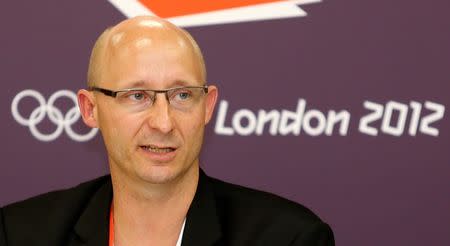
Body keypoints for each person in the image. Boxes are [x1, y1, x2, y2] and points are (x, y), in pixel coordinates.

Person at [0, 16, 334, 246]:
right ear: (90, 109)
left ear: (208, 106)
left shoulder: (288, 238)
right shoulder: (20, 234)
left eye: (182, 95)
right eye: (137, 96)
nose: (163, 122)